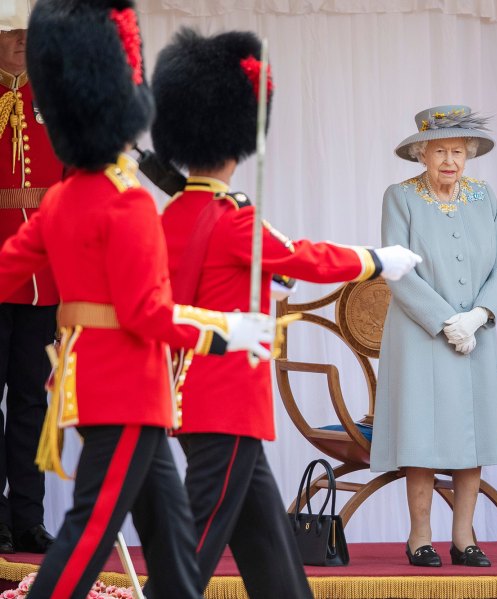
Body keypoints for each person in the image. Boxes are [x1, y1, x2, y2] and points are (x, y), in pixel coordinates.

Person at [0, 2, 274, 597]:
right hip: (126, 387)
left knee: (173, 554)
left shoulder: (63, 199)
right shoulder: (126, 203)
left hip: (115, 389)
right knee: (88, 535)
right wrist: (227, 331)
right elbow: (146, 314)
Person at [144, 28, 421, 598]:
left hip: (189, 393)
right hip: (225, 400)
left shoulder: (174, 215)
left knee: (267, 545)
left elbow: (266, 268)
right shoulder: (234, 217)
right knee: (193, 549)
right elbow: (303, 257)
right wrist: (379, 260)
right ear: (236, 144)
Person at [370, 105, 497, 567]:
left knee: (471, 433)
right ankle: (419, 538)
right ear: (421, 154)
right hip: (419, 335)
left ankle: (465, 537)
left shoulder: (484, 196)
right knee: (422, 433)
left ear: (467, 155)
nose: (449, 161)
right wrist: (444, 320)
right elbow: (396, 268)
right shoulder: (401, 197)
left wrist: (478, 316)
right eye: (439, 152)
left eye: (457, 151)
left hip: (477, 334)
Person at [0, 0, 62, 555]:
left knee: (30, 403)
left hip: (44, 276)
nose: (22, 40)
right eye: (11, 32)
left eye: (27, 32)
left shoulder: (52, 99)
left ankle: (26, 519)